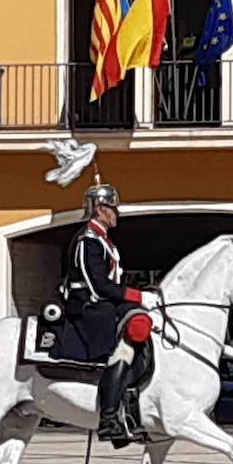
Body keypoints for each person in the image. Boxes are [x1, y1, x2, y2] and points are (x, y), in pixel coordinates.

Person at [60, 181, 152, 445]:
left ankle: (131, 410)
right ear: (100, 209)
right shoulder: (86, 241)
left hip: (105, 304)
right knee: (123, 344)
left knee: (140, 325)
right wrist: (137, 296)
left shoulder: (105, 242)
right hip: (90, 308)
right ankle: (109, 418)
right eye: (113, 208)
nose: (117, 213)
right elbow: (97, 286)